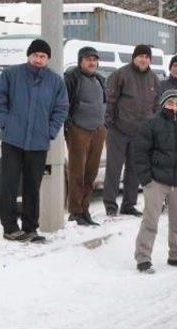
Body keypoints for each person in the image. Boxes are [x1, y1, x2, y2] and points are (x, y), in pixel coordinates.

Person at [0, 39, 69, 242]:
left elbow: (61, 109)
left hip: (38, 142)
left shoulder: (55, 81)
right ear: (29, 56)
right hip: (12, 140)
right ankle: (9, 227)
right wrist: (6, 124)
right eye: (35, 55)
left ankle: (30, 227)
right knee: (9, 185)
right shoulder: (11, 75)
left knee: (32, 186)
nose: (38, 59)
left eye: (42, 56)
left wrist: (50, 131)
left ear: (48, 59)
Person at [133, 90, 177, 273]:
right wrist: (146, 179)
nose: (174, 107)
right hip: (156, 181)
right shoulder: (151, 124)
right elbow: (140, 153)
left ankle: (176, 254)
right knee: (150, 220)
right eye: (170, 103)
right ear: (163, 104)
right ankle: (143, 257)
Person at [103, 44, 160, 217]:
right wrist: (111, 123)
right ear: (134, 57)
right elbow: (110, 100)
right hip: (119, 130)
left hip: (140, 133)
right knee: (114, 169)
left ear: (150, 59)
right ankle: (110, 204)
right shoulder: (121, 75)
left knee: (134, 170)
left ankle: (129, 204)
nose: (143, 59)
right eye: (140, 56)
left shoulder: (153, 79)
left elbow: (157, 105)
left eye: (146, 57)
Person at [64, 46, 107, 226]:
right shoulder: (72, 78)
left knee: (91, 173)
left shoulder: (99, 79)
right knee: (77, 172)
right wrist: (69, 124)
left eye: (94, 59)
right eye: (88, 59)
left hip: (98, 130)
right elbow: (64, 103)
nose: (92, 62)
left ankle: (85, 208)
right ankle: (75, 211)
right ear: (80, 61)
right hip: (78, 129)